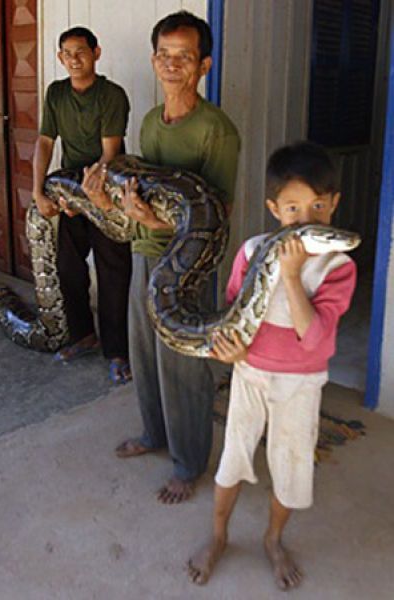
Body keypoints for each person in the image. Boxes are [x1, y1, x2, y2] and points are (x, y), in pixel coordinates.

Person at [187, 141, 357, 589]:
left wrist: (292, 276)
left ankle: (273, 539)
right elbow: (232, 314)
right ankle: (219, 535)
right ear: (274, 208)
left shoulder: (337, 267)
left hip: (301, 384)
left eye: (319, 205)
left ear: (335, 204)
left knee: (291, 463)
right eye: (293, 207)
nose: (305, 219)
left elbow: (314, 335)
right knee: (234, 455)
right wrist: (233, 352)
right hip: (250, 374)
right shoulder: (251, 251)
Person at [88, 11, 240, 502]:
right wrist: (107, 203)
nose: (173, 65)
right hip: (145, 252)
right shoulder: (152, 122)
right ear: (154, 60)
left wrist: (154, 222)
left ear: (204, 65)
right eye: (165, 55)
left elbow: (219, 213)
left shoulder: (217, 131)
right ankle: (155, 435)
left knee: (183, 366)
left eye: (185, 57)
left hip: (190, 266)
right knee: (146, 354)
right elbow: (142, 199)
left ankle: (189, 461)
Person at [32, 26, 132, 383]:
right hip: (70, 186)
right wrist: (37, 191)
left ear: (96, 53)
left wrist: (92, 199)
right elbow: (45, 141)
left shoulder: (111, 95)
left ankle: (118, 352)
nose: (74, 59)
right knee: (68, 266)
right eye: (67, 53)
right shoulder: (56, 93)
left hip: (107, 188)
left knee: (113, 271)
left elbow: (109, 155)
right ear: (60, 57)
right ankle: (83, 335)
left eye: (81, 52)